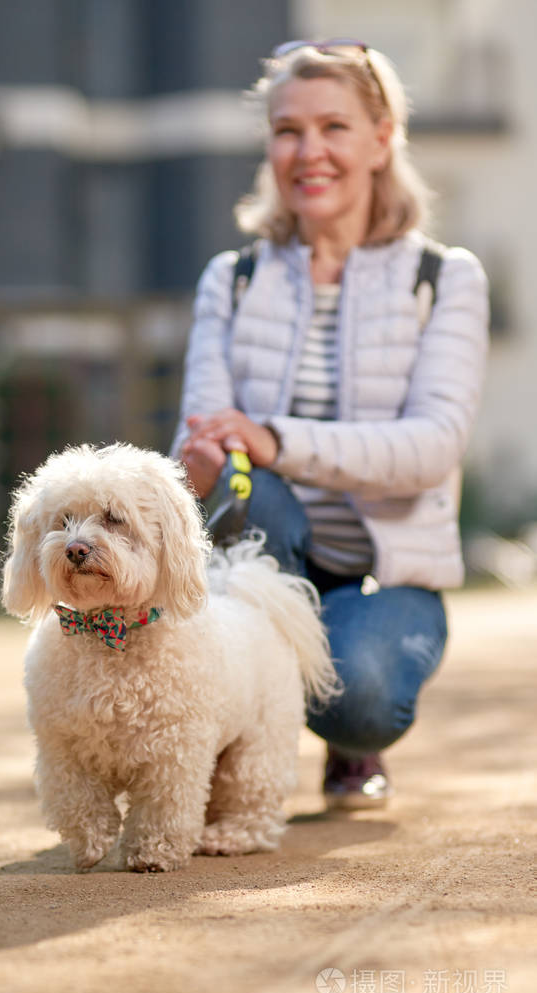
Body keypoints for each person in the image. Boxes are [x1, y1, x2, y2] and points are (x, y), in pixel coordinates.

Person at [170, 40, 489, 810]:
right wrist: (204, 460)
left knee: (362, 697)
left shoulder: (443, 278)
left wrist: (275, 439)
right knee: (257, 495)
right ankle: (230, 739)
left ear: (383, 138)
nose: (307, 151)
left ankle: (350, 743)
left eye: (332, 127)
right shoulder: (232, 277)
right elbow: (207, 438)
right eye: (286, 130)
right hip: (262, 551)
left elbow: (432, 446)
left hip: (386, 576)